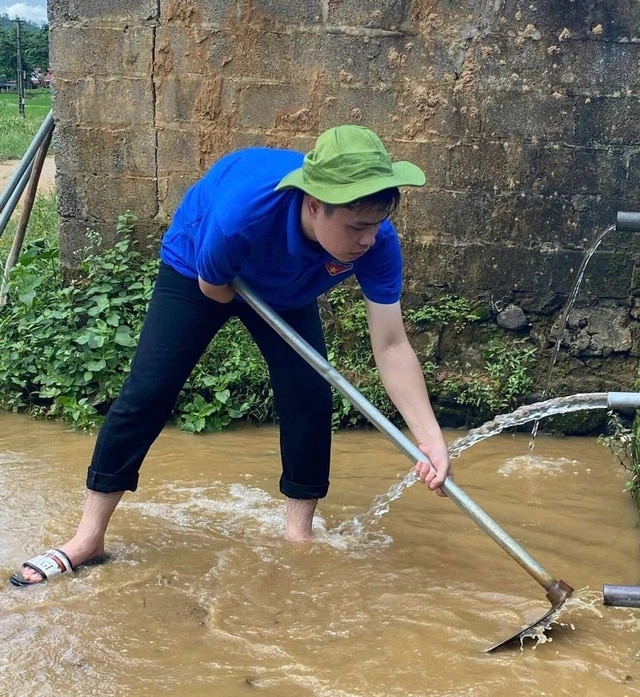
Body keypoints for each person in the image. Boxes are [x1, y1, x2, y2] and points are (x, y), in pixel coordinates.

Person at [10, 124, 452, 587]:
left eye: (375, 224)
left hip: (287, 289)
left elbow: (392, 344)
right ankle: (88, 537)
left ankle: (298, 534)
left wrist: (430, 439)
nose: (367, 239)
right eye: (357, 226)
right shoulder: (243, 213)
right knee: (149, 391)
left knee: (309, 397)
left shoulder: (377, 244)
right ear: (314, 204)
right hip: (201, 272)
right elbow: (214, 289)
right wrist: (244, 292)